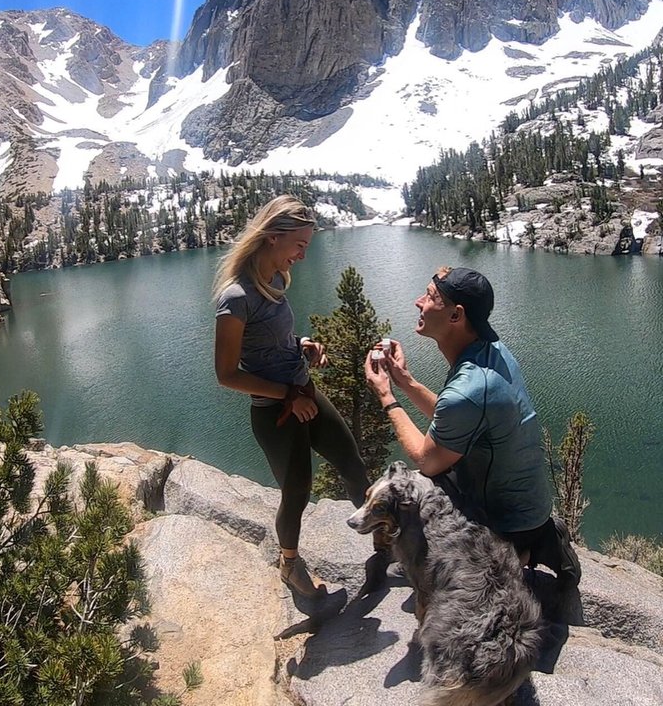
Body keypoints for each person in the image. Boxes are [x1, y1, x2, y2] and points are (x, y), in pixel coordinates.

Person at [364, 265, 581, 588]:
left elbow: (426, 458)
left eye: (431, 297)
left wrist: (386, 396)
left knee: (405, 486)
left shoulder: (470, 387)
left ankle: (518, 553)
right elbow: (455, 419)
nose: (418, 301)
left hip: (506, 520)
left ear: (456, 315)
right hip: (525, 505)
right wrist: (405, 381)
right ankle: (540, 538)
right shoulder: (490, 352)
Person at [213, 194, 374, 598]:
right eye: (299, 245)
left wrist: (302, 345)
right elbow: (227, 375)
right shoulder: (235, 298)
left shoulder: (277, 281)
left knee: (352, 464)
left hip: (304, 392)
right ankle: (289, 563)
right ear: (272, 237)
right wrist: (287, 394)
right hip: (275, 412)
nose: (303, 255)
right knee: (298, 489)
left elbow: (273, 340)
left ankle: (385, 540)